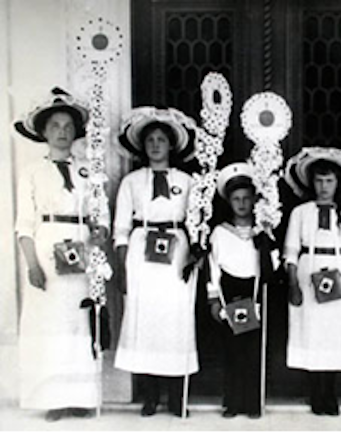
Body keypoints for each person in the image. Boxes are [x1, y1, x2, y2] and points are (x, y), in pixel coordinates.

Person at [14, 87, 110, 421]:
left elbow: (101, 214)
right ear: (44, 132)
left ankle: (80, 397)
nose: (62, 132)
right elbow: (24, 225)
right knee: (50, 324)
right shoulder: (32, 172)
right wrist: (32, 264)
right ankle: (53, 398)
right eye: (55, 125)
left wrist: (100, 231)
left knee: (79, 322)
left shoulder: (89, 171)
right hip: (47, 248)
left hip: (81, 249)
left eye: (68, 126)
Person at [113, 106, 199, 417]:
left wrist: (195, 251)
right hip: (142, 252)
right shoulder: (131, 182)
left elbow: (197, 222)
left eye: (162, 139)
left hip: (176, 253)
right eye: (150, 140)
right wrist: (123, 267)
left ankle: (177, 397)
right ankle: (150, 395)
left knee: (176, 320)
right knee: (147, 321)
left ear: (171, 145)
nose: (155, 145)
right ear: (142, 145)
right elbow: (121, 229)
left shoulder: (187, 182)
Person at [283, 147, 341, 416]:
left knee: (334, 332)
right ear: (311, 183)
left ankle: (330, 393)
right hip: (308, 270)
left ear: (339, 183)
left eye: (329, 181)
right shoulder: (301, 213)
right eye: (319, 181)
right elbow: (290, 251)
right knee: (312, 331)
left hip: (339, 271)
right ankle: (316, 393)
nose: (324, 187)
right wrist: (293, 283)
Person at [207, 162, 277, 419]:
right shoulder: (220, 232)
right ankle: (233, 402)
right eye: (236, 199)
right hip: (231, 291)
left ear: (254, 201)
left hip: (255, 291)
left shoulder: (263, 231)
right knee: (233, 349)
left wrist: (266, 246)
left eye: (246, 198)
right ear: (229, 201)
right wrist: (214, 299)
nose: (242, 204)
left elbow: (273, 266)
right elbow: (213, 267)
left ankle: (253, 402)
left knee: (253, 350)